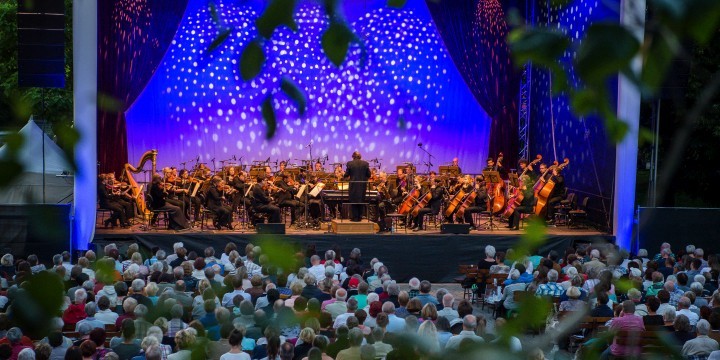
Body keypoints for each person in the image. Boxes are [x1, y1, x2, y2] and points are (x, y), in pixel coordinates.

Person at [344, 151, 371, 222]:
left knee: (353, 200)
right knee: (361, 200)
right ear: (360, 156)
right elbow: (369, 175)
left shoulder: (350, 163)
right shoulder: (365, 164)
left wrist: (345, 176)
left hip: (353, 185)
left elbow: (346, 174)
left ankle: (355, 217)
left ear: (353, 157)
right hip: (362, 185)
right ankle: (360, 217)